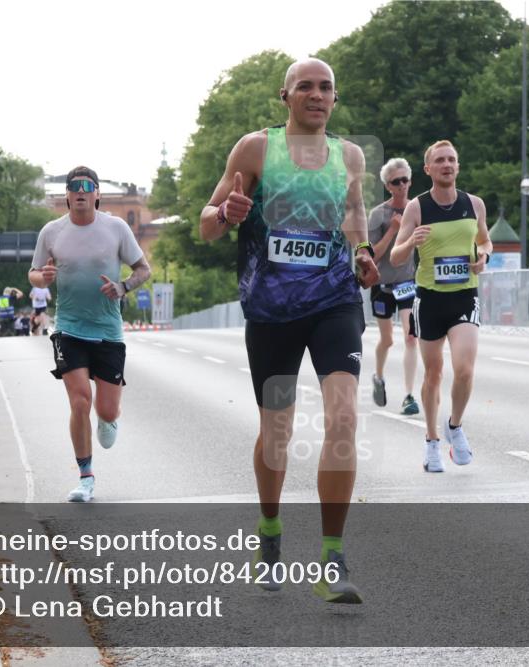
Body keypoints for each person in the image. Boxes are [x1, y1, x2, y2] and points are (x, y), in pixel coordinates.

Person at [199, 58, 379, 604]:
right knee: (277, 432)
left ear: (335, 98)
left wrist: (364, 254)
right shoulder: (254, 149)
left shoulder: (349, 155)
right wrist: (227, 214)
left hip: (335, 302)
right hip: (272, 311)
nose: (317, 94)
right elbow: (206, 225)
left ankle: (332, 557)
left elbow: (354, 214)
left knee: (344, 414)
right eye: (306, 86)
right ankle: (271, 532)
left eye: (326, 87)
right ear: (286, 97)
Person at [29, 166, 151, 503]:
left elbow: (144, 269)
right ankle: (86, 477)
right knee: (80, 399)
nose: (81, 191)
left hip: (108, 329)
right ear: (67, 195)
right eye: (74, 186)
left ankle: (109, 420)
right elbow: (34, 273)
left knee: (107, 411)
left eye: (87, 186)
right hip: (69, 327)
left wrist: (123, 286)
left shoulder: (116, 228)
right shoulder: (52, 232)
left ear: (97, 194)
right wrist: (45, 278)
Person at [391, 140, 492, 474]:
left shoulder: (474, 204)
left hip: (464, 296)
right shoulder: (417, 208)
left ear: (458, 166)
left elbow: (484, 240)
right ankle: (432, 441)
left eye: (452, 159)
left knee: (464, 369)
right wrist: (410, 242)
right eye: (440, 160)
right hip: (430, 299)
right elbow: (395, 256)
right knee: (433, 374)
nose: (447, 164)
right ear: (428, 168)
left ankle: (455, 425)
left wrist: (483, 256)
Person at [368, 157, 420, 415]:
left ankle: (409, 396)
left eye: (405, 180)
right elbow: (372, 255)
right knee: (387, 340)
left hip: (407, 282)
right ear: (388, 186)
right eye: (396, 182)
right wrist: (392, 231)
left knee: (411, 336)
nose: (402, 185)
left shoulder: (417, 209)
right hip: (381, 284)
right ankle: (378, 376)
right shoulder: (378, 214)